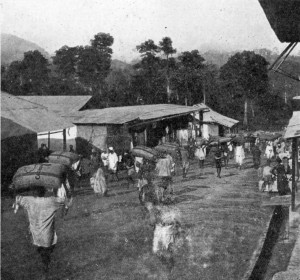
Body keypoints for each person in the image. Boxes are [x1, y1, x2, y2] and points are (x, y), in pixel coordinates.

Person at [13, 187, 72, 276]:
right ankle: (46, 266)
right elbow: (65, 202)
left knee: (41, 249)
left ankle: (45, 265)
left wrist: (16, 204)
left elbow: (18, 198)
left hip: (35, 234)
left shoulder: (29, 200)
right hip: (47, 234)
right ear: (44, 191)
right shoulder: (51, 201)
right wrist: (67, 207)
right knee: (47, 249)